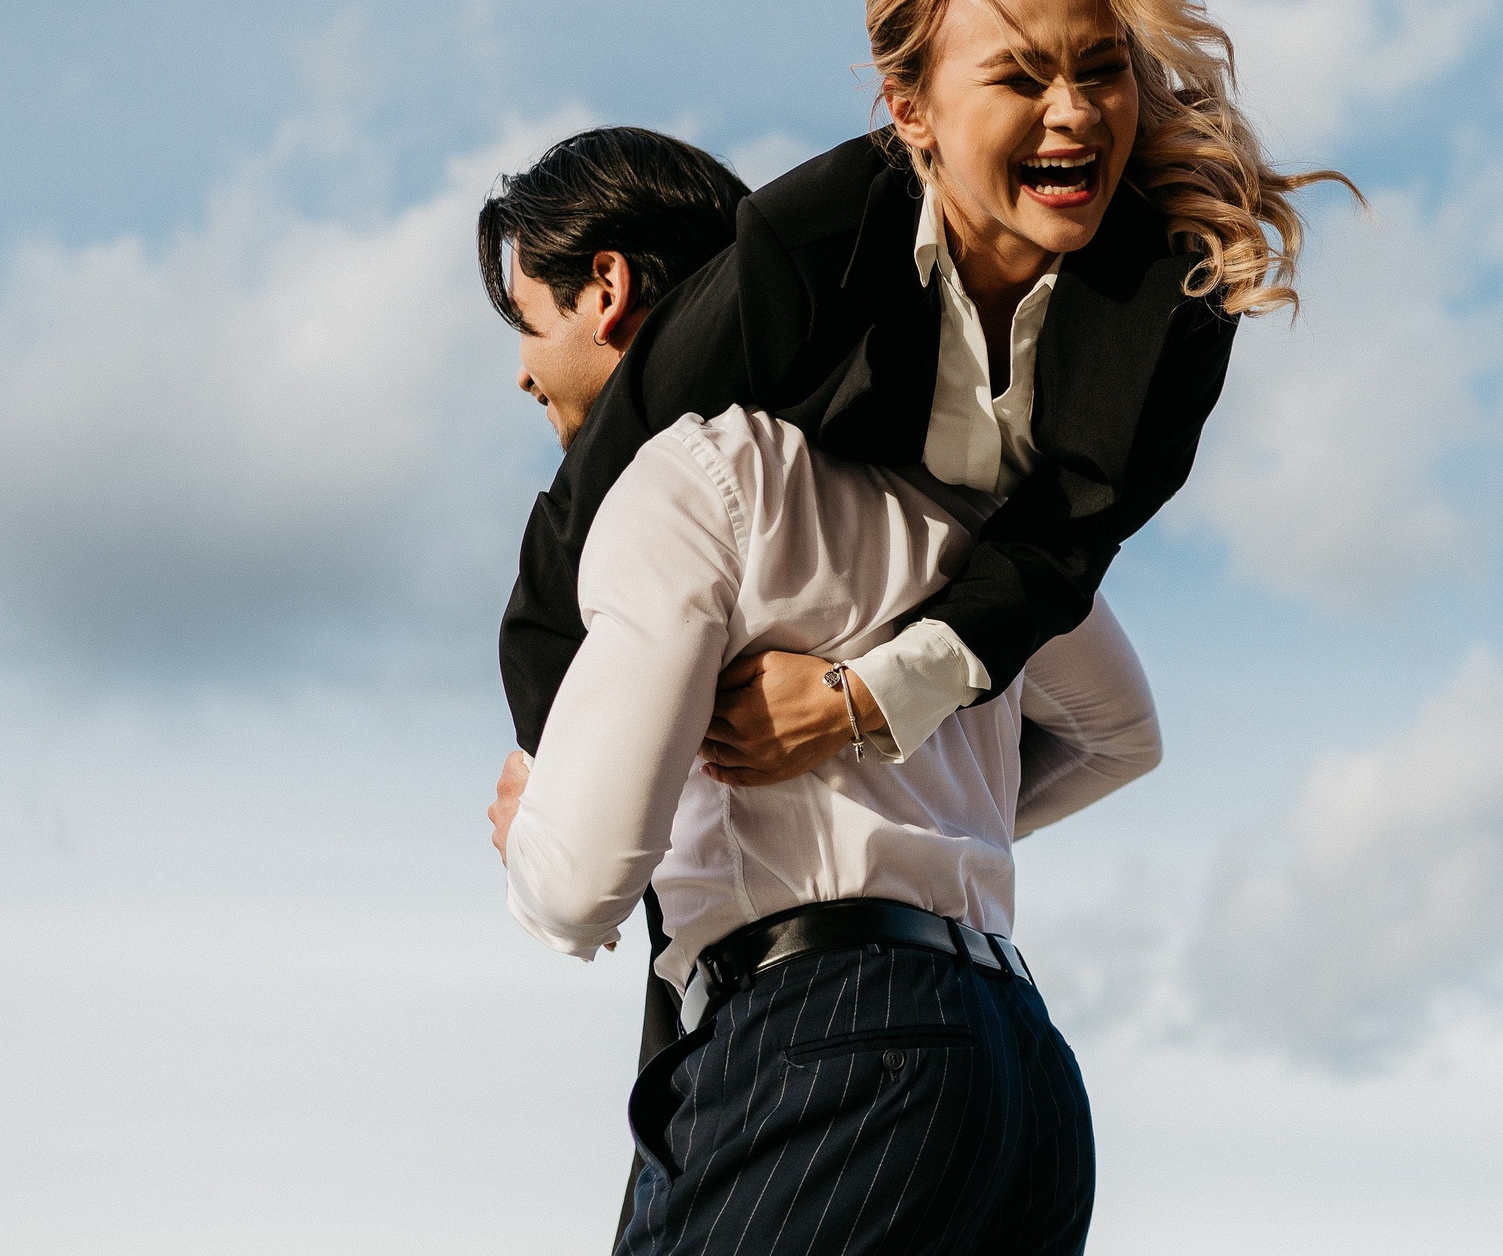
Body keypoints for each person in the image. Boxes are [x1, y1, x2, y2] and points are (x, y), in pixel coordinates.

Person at [496, 0, 1354, 795]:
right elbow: (589, 500)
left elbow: (1061, 549)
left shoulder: (1187, 277)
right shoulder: (806, 247)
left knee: (1123, 735)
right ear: (912, 111)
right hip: (831, 551)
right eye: (1020, 76)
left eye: (1103, 68)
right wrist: (555, 773)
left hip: (998, 580)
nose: (1075, 112)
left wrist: (859, 702)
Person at [478, 130, 1161, 1251]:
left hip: (828, 1054)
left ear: (605, 290)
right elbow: (1118, 735)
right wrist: (901, 778)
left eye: (525, 320)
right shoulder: (954, 495)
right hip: (1019, 1076)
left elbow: (580, 885)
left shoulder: (681, 479)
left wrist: (530, 824)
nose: (520, 370)